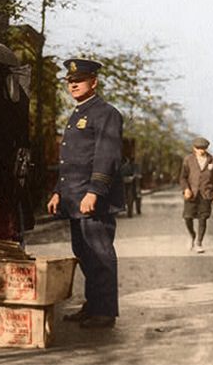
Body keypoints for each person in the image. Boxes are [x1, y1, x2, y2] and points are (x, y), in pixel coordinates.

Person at [46, 58, 124, 329]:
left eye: (79, 80)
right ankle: (93, 305)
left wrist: (94, 192)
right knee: (85, 253)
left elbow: (108, 156)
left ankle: (104, 312)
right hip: (74, 198)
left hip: (93, 200)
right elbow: (70, 161)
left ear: (94, 82)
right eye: (70, 81)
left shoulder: (106, 113)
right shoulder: (78, 114)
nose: (73, 85)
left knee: (100, 254)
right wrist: (58, 192)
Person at [178, 137, 213, 253]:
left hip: (206, 194)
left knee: (203, 218)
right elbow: (183, 177)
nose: (201, 151)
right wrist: (186, 189)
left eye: (203, 148)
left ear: (206, 148)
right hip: (191, 194)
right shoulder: (188, 160)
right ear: (194, 149)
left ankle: (199, 243)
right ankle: (192, 235)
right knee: (187, 217)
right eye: (198, 148)